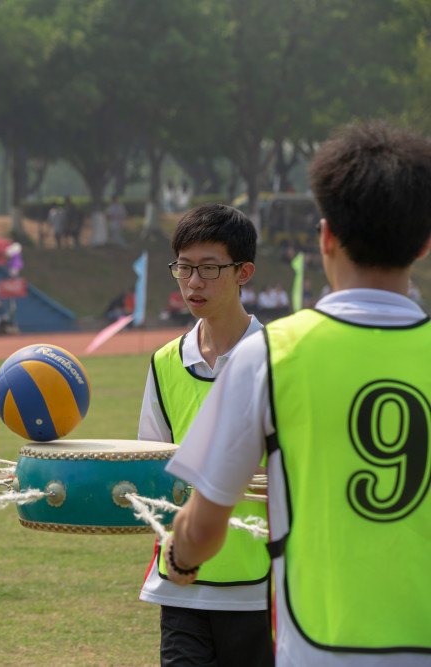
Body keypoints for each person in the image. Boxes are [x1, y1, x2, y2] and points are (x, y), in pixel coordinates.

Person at [162, 121, 431, 666]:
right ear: (424, 244)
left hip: (319, 645)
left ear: (326, 237)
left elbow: (203, 524)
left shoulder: (268, 354)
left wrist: (182, 558)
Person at [137, 203, 270, 666]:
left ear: (243, 272)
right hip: (182, 581)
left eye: (209, 269)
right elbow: (152, 465)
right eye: (184, 268)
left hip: (261, 586)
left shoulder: (278, 359)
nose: (193, 282)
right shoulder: (164, 362)